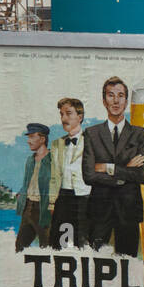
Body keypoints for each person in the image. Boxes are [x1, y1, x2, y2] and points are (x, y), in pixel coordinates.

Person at [81, 76, 144, 256]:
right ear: (104, 101)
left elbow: (142, 175)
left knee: (128, 266)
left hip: (128, 210)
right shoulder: (92, 133)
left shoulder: (139, 134)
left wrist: (107, 167)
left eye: (120, 95)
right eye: (111, 95)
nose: (116, 100)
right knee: (94, 263)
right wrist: (125, 170)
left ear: (126, 101)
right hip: (99, 209)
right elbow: (88, 175)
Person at [49, 97, 91, 248]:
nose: (64, 118)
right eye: (61, 114)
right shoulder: (56, 144)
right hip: (63, 198)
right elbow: (54, 177)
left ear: (80, 117)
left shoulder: (92, 140)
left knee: (83, 241)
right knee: (59, 242)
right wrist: (52, 203)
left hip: (85, 198)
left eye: (68, 113)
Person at [15, 122, 52, 251]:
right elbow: (26, 183)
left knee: (47, 246)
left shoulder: (53, 159)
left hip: (44, 210)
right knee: (20, 247)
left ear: (42, 139)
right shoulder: (30, 160)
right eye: (28, 137)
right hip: (27, 207)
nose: (28, 141)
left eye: (31, 137)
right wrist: (20, 194)